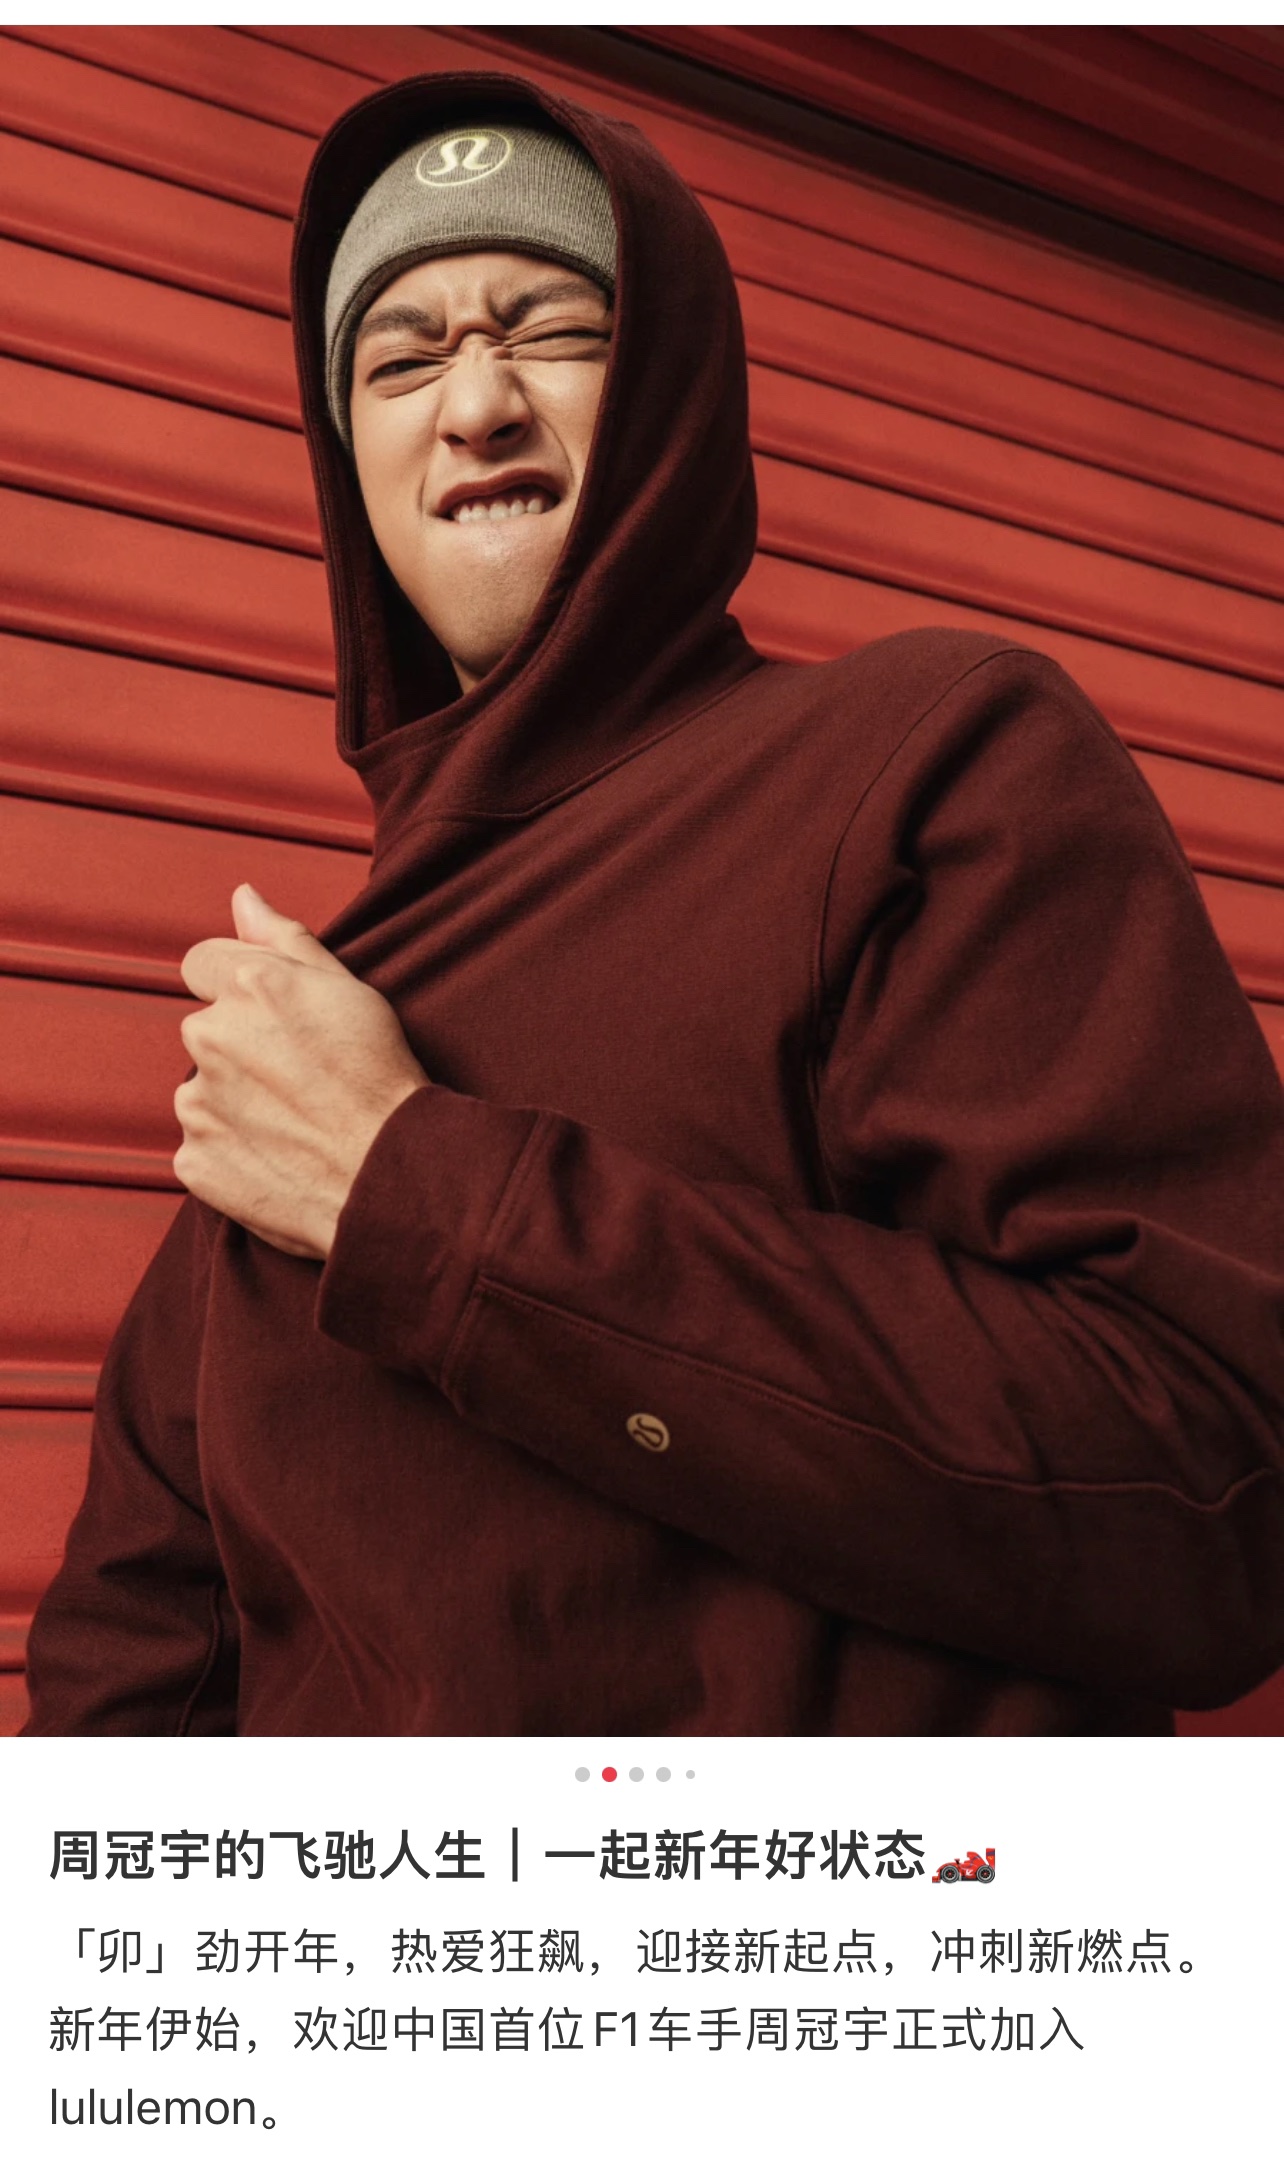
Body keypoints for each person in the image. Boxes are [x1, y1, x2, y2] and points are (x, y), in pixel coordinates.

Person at [23, 72, 1284, 1738]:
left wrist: (423, 1197)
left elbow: (1210, 1496)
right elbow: (135, 1669)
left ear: (675, 390)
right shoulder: (302, 1037)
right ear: (351, 463)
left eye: (552, 331)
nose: (475, 404)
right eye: (399, 359)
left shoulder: (925, 760)